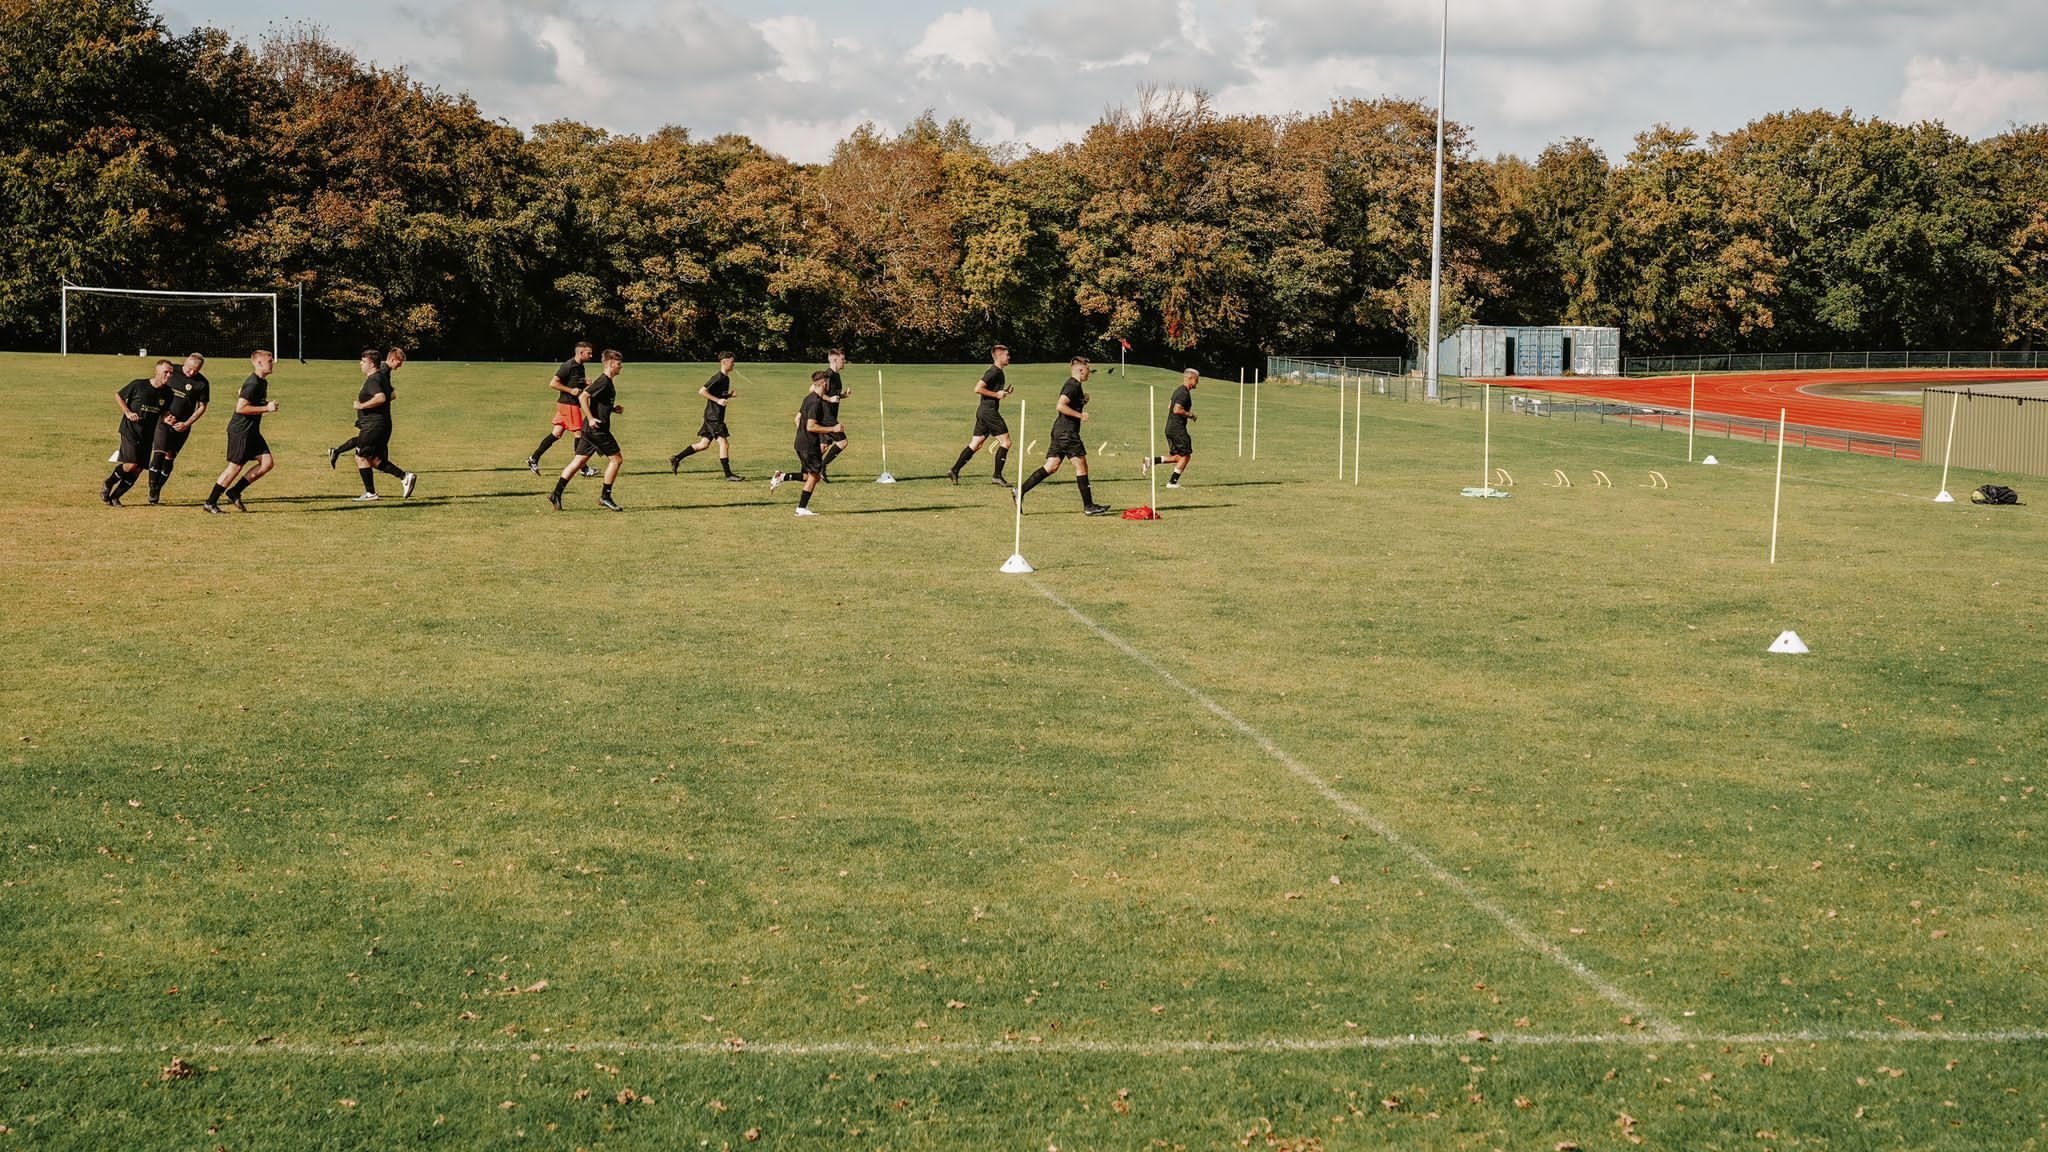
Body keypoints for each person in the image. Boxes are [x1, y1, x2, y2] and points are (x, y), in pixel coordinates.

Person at [1017, 356, 1111, 515]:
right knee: (1081, 466)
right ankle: (1089, 506)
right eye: (1088, 369)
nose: (1089, 372)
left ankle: (1019, 491)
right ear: (1081, 370)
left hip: (1060, 431)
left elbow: (1069, 404)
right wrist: (1080, 415)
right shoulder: (1072, 385)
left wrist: (1082, 401)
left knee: (1051, 466)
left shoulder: (1075, 386)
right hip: (1067, 433)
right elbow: (1060, 406)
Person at [202, 350, 281, 514]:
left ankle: (235, 492)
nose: (272, 363)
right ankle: (210, 502)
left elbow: (246, 397)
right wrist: (267, 408)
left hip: (252, 431)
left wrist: (265, 403)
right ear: (258, 363)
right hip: (241, 431)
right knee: (235, 467)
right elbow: (241, 408)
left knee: (267, 463)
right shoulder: (253, 383)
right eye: (269, 361)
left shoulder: (262, 382)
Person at [548, 350, 627, 511]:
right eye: (619, 364)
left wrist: (612, 409)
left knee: (578, 462)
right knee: (616, 460)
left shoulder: (606, 382)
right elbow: (583, 397)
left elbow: (597, 402)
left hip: (588, 430)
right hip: (597, 429)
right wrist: (590, 418)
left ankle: (556, 493)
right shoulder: (603, 381)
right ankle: (605, 497)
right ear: (610, 363)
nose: (621, 367)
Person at [340, 347, 415, 501]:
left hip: (373, 426)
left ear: (372, 364)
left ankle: (371, 493)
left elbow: (381, 397)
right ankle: (404, 477)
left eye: (363, 361)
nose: (360, 364)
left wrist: (361, 405)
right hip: (381, 424)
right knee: (375, 459)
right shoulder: (382, 375)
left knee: (361, 456)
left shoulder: (375, 378)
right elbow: (392, 395)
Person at [102, 360, 175, 506]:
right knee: (131, 464)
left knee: (139, 469)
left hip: (148, 434)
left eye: (171, 373)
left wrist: (168, 418)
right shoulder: (139, 385)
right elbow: (119, 395)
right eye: (166, 372)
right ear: (157, 371)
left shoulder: (168, 393)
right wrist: (128, 412)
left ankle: (115, 497)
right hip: (130, 430)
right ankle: (109, 482)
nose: (168, 375)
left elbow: (163, 412)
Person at [767, 370, 838, 517]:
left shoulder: (808, 398)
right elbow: (811, 426)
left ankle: (782, 477)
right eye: (827, 383)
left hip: (801, 443)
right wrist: (833, 429)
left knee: (809, 475)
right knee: (814, 476)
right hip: (809, 445)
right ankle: (801, 508)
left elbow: (798, 419)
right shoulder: (816, 403)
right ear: (824, 384)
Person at [668, 353, 744, 480]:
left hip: (714, 415)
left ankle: (676, 458)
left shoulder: (726, 378)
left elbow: (719, 394)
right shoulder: (717, 377)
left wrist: (728, 395)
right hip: (713, 416)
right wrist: (718, 400)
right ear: (724, 362)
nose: (734, 364)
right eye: (732, 362)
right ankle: (728, 475)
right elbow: (702, 391)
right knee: (724, 443)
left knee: (703, 444)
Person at [147, 352, 210, 504]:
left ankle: (158, 488)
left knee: (170, 457)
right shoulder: (171, 371)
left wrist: (187, 423)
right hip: (164, 421)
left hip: (182, 426)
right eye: (190, 369)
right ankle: (152, 488)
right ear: (185, 363)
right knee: (159, 454)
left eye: (196, 370)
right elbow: (155, 389)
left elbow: (202, 407)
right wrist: (163, 414)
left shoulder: (202, 383)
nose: (192, 373)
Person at [947, 344, 1014, 486]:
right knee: (1006, 442)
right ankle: (997, 476)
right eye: (1007, 355)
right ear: (999, 356)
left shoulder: (999, 372)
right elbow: (978, 388)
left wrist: (1003, 392)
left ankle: (954, 470)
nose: (1009, 357)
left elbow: (992, 391)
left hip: (984, 411)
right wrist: (996, 394)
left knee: (976, 444)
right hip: (989, 412)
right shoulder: (993, 372)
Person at [529, 342, 598, 476]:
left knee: (556, 433)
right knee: (579, 435)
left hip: (566, 404)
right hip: (569, 405)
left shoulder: (580, 366)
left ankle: (533, 458)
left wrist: (584, 383)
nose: (591, 355)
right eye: (588, 353)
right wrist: (570, 391)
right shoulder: (568, 365)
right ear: (580, 353)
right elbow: (553, 383)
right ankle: (583, 469)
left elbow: (574, 383)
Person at [1141, 368, 1199, 488]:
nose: (1197, 382)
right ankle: (1172, 482)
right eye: (1196, 380)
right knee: (1186, 456)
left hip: (1170, 427)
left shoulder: (1178, 390)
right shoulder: (1184, 393)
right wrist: (1190, 415)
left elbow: (1169, 405)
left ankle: (1150, 461)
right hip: (1177, 429)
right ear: (1190, 378)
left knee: (1178, 457)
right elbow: (1176, 409)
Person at [816, 348, 850, 481]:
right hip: (826, 416)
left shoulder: (837, 375)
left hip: (831, 415)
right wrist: (829, 399)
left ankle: (808, 469)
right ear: (835, 360)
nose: (844, 361)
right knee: (843, 442)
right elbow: (813, 389)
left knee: (823, 446)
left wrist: (843, 395)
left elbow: (833, 394)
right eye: (842, 359)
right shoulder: (828, 374)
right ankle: (822, 467)